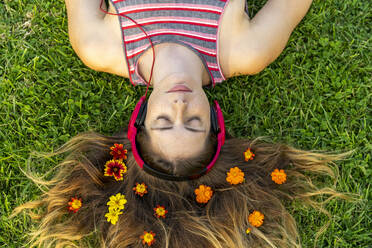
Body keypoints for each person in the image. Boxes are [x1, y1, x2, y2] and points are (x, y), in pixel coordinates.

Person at [14, 0, 348, 247]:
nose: (179, 105)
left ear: (140, 118)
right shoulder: (244, 50)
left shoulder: (99, 46)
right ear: (216, 120)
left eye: (163, 121)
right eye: (192, 122)